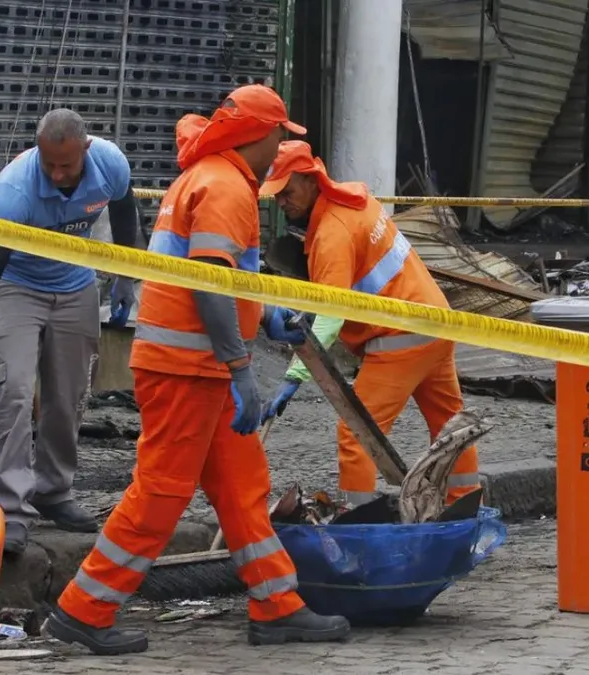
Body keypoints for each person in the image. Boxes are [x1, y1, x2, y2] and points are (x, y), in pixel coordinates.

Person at [45, 85, 352, 655]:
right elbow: (210, 285)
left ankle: (277, 605)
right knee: (161, 492)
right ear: (260, 134)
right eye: (282, 133)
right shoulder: (225, 187)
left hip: (189, 362)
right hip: (188, 365)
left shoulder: (207, 176)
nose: (284, 144)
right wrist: (241, 368)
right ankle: (81, 612)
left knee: (240, 486)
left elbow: (224, 282)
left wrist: (264, 317)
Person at [258, 141, 481, 508]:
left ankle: (357, 522)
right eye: (276, 195)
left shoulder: (332, 233)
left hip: (400, 337)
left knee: (356, 434)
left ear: (312, 180)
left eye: (287, 191)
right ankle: (466, 506)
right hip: (436, 322)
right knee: (449, 427)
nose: (281, 202)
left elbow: (332, 314)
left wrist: (292, 377)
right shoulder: (355, 201)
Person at [0, 108, 140, 556]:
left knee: (69, 396)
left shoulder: (110, 164)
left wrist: (127, 274)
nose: (59, 174)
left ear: (85, 149)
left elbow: (125, 209)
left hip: (76, 285)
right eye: (50, 165)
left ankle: (53, 490)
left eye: (67, 164)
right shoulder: (15, 189)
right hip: (17, 287)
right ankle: (9, 505)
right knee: (15, 392)